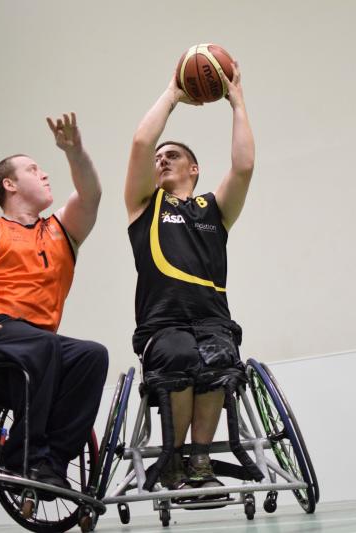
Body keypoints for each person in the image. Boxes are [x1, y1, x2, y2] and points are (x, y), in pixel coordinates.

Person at [0, 113, 108, 494]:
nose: (45, 174)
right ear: (10, 184)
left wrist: (74, 151)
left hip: (33, 346)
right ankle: (22, 456)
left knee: (92, 355)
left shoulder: (61, 231)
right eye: (34, 169)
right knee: (43, 344)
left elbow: (91, 195)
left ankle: (52, 462)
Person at [124, 63, 254, 494]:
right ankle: (173, 460)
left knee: (218, 357)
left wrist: (237, 104)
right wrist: (173, 93)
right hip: (163, 324)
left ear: (193, 169)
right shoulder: (145, 204)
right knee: (180, 356)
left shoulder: (213, 210)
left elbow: (244, 167)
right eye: (159, 158)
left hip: (212, 320)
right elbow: (142, 142)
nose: (161, 159)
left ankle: (200, 462)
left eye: (172, 156)